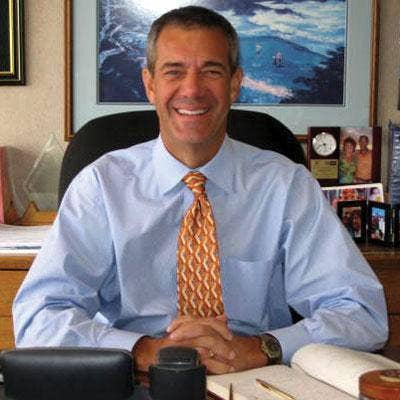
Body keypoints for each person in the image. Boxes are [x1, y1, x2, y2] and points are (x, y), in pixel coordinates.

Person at [13, 6, 387, 375]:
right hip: (135, 374)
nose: (192, 90)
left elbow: (362, 313)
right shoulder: (101, 185)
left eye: (211, 71)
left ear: (235, 83)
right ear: (150, 84)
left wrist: (263, 347)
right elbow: (37, 317)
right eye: (174, 71)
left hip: (256, 373)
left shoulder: (286, 185)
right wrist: (144, 350)